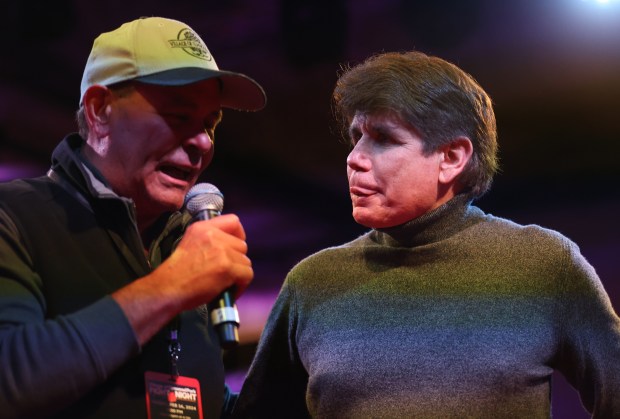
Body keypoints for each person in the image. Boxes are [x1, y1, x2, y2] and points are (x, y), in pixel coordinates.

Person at [232, 51, 620, 417]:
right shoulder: (311, 283)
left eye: (383, 138)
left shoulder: (544, 264)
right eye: (356, 137)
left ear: (451, 158)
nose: (354, 159)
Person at [0, 17, 266, 418]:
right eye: (179, 116)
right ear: (99, 111)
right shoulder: (14, 216)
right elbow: (10, 378)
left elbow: (192, 398)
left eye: (210, 124)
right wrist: (172, 286)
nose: (202, 142)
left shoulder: (183, 241)